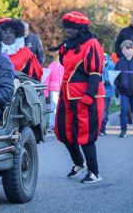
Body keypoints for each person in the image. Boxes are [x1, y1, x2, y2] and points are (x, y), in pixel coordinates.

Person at [55, 11, 105, 184]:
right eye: (67, 28)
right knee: (63, 131)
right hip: (67, 95)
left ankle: (94, 172)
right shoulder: (70, 45)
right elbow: (64, 64)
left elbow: (95, 73)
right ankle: (79, 163)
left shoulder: (92, 44)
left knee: (85, 134)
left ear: (80, 28)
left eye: (72, 28)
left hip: (85, 97)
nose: (68, 31)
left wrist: (89, 96)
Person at [114, 40, 133, 137]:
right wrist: (118, 87)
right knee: (123, 109)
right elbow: (116, 76)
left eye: (129, 49)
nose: (127, 51)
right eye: (124, 49)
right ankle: (123, 129)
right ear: (122, 50)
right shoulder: (119, 63)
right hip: (124, 91)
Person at [44, 52, 64, 133]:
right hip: (54, 89)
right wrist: (46, 92)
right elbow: (47, 80)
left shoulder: (64, 66)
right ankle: (51, 125)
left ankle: (60, 125)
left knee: (61, 108)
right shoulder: (51, 66)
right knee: (53, 107)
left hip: (62, 89)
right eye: (58, 56)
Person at [100, 53, 116, 136]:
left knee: (104, 110)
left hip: (107, 91)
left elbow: (112, 78)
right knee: (99, 110)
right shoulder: (98, 64)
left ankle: (102, 129)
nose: (103, 60)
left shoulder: (111, 65)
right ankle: (99, 127)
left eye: (104, 59)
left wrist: (105, 80)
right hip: (98, 92)